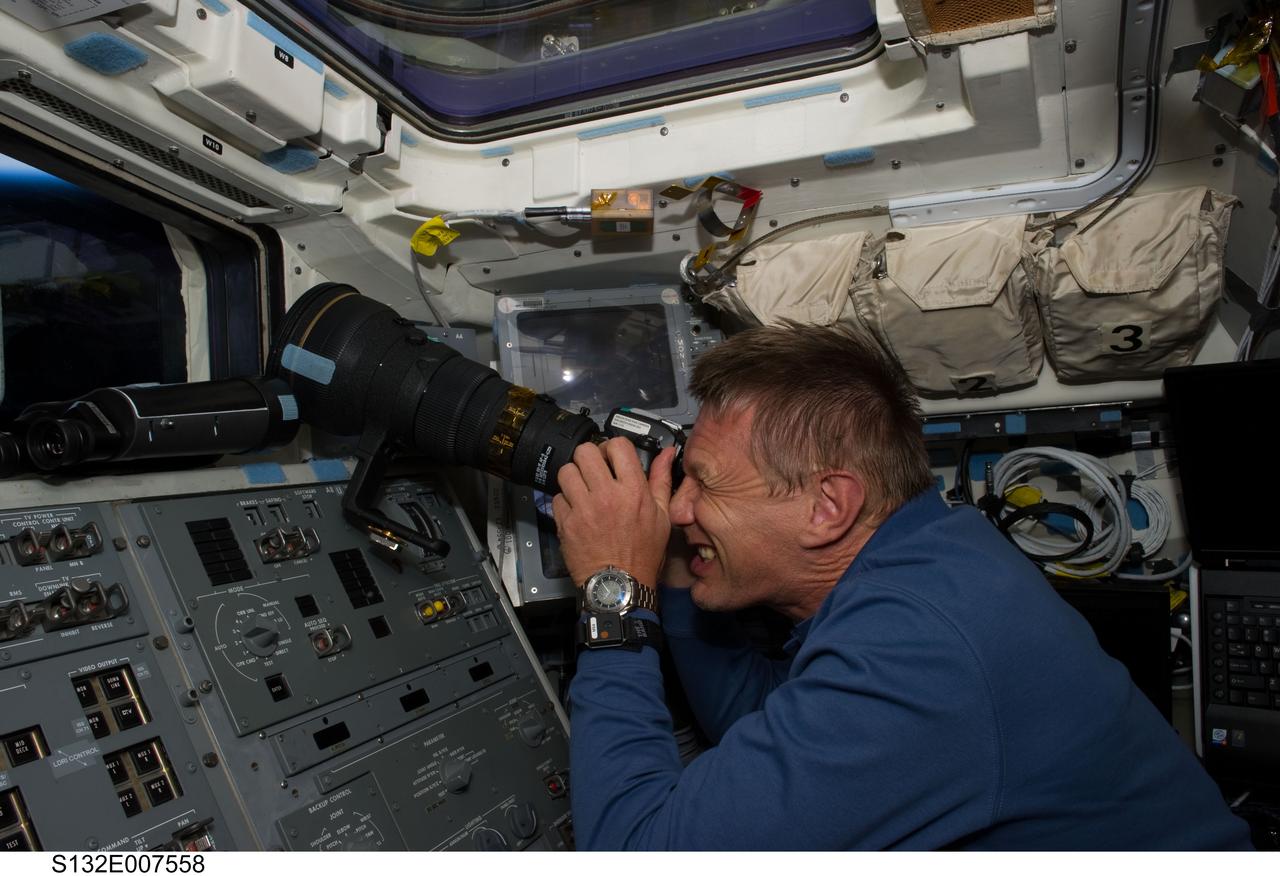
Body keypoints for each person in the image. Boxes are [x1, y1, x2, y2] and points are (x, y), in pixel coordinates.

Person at [551, 322, 1252, 850]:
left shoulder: (920, 645)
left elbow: (632, 849)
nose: (676, 506)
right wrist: (675, 568)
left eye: (705, 481)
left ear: (829, 506)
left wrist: (614, 592)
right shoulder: (933, 553)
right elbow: (764, 719)